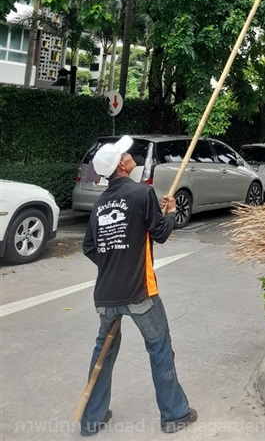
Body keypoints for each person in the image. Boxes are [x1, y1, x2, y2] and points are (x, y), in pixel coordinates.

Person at [80, 135, 196, 436]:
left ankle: (91, 419)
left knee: (102, 354)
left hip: (106, 295)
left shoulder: (100, 204)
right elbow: (159, 233)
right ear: (121, 164)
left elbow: (90, 248)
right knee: (160, 348)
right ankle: (174, 414)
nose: (131, 155)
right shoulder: (141, 193)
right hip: (140, 293)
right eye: (126, 153)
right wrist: (170, 214)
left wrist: (113, 263)